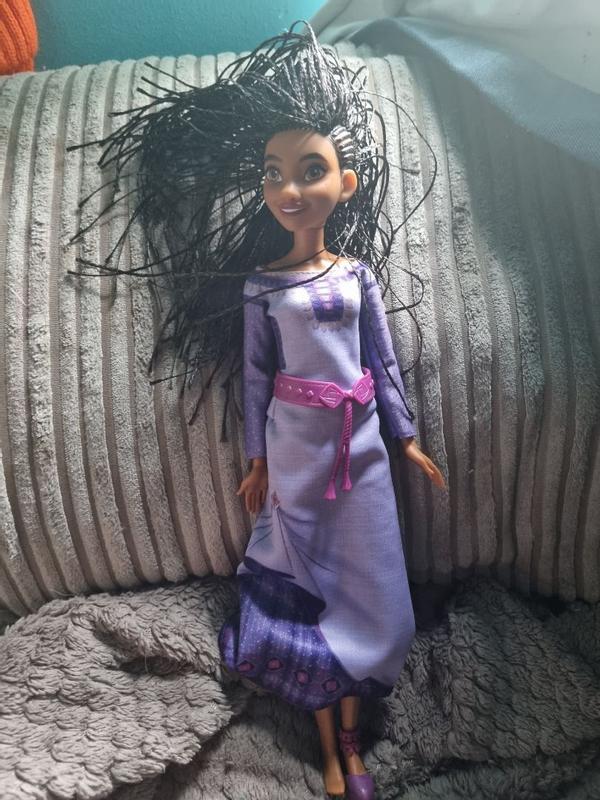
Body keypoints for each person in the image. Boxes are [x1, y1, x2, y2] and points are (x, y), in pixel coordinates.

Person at [67, 21, 445, 800]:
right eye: (275, 174)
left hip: (362, 455)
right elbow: (255, 380)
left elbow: (382, 364)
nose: (290, 190)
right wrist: (257, 462)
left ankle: (352, 740)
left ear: (346, 183)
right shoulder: (262, 288)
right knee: (306, 595)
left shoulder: (357, 278)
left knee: (370, 591)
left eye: (311, 170)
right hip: (297, 456)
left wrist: (405, 438)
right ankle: (336, 753)